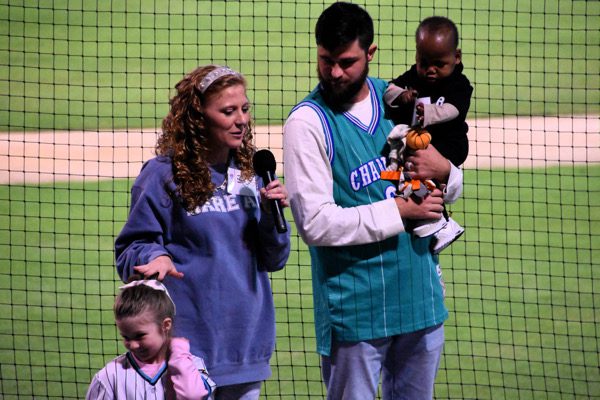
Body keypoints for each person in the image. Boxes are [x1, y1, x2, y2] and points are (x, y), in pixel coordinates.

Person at [283, 3, 463, 399]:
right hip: (354, 313)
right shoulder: (307, 123)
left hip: (420, 300)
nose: (334, 72)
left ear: (370, 53)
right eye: (326, 60)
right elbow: (315, 223)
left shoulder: (402, 101)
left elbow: (444, 188)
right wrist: (400, 211)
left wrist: (447, 173)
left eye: (346, 62)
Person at [115, 65, 291, 400]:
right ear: (198, 119)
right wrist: (155, 255)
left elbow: (274, 259)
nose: (241, 120)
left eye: (244, 109)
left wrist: (271, 217)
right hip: (187, 352)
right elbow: (130, 247)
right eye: (228, 111)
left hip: (245, 347)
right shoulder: (162, 176)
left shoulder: (251, 173)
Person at [384, 16, 473, 253]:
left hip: (449, 145)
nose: (430, 70)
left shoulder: (459, 83)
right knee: (409, 181)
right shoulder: (415, 76)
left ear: (456, 57)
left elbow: (454, 109)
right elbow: (389, 89)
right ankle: (441, 223)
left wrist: (429, 113)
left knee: (415, 178)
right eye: (424, 62)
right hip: (421, 144)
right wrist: (401, 95)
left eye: (439, 64)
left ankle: (439, 222)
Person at [86, 278, 216, 399]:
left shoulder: (192, 365)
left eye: (140, 336)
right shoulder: (109, 376)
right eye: (126, 337)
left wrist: (177, 352)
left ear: (165, 325)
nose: (133, 345)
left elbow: (193, 395)